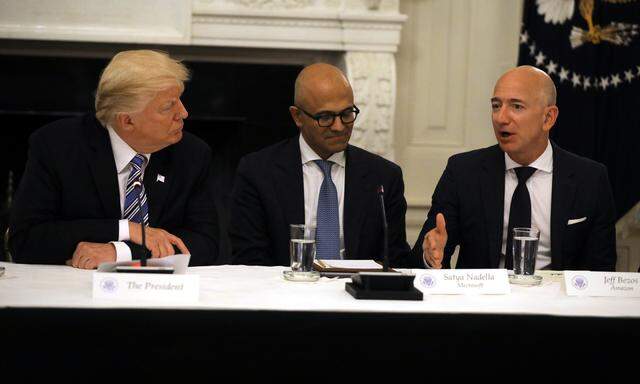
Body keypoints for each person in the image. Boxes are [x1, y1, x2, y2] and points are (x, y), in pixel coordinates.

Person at [9, 50, 219, 269]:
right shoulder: (57, 146)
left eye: (179, 100)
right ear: (127, 121)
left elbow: (206, 244)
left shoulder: (191, 153)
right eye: (168, 107)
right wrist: (126, 229)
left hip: (159, 291)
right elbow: (26, 240)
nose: (183, 113)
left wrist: (121, 252)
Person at [412, 65, 616, 271]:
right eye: (496, 105)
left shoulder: (589, 178)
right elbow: (427, 252)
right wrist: (430, 257)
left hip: (556, 301)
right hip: (483, 301)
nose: (501, 118)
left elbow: (601, 269)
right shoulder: (463, 172)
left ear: (548, 118)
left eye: (516, 106)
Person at [230, 63, 410, 266]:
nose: (339, 126)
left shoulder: (384, 176)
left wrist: (426, 256)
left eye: (347, 114)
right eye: (325, 117)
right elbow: (249, 260)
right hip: (285, 292)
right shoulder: (258, 172)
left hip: (357, 294)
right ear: (297, 116)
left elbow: (396, 259)